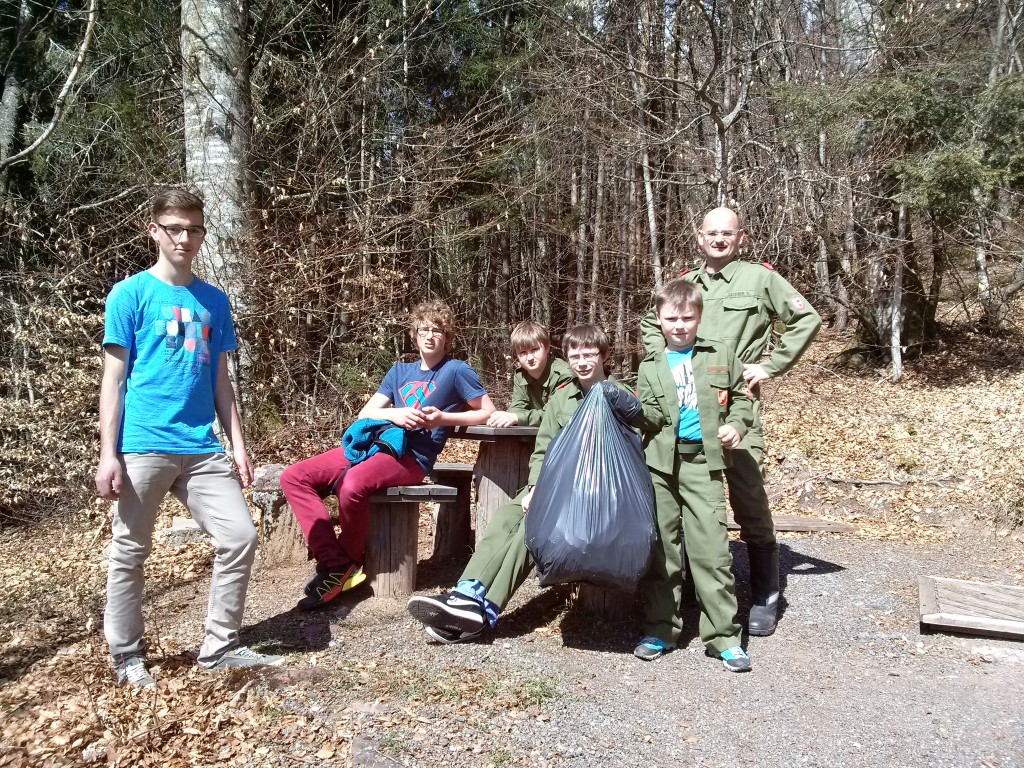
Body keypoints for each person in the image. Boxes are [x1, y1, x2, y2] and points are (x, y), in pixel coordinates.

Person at [95, 188, 281, 688]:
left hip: (202, 446)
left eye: (193, 229)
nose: (184, 237)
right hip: (144, 443)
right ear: (153, 230)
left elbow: (221, 380)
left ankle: (220, 648)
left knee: (240, 536)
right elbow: (113, 380)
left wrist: (238, 444)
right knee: (130, 549)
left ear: (202, 233)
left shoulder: (214, 301)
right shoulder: (129, 294)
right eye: (174, 227)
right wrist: (107, 454)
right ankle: (126, 655)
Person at [641, 207, 821, 635]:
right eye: (711, 233)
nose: (718, 240)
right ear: (699, 237)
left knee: (748, 497)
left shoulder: (760, 279)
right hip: (686, 411)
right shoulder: (688, 284)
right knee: (682, 499)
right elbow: (653, 322)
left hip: (735, 410)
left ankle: (765, 595)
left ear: (741, 238)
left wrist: (771, 365)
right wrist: (661, 363)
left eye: (727, 233)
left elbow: (806, 318)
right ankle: (686, 594)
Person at [406, 324, 641, 643]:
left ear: (604, 356)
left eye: (590, 355)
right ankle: (467, 593)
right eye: (576, 355)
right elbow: (543, 449)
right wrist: (533, 488)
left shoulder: (619, 395)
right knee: (508, 516)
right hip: (558, 484)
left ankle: (482, 610)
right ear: (568, 358)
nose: (583, 362)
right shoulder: (562, 400)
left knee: (531, 528)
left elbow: (635, 438)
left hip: (601, 493)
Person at [280, 300, 494, 610]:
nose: (430, 335)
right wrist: (397, 413)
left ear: (447, 337)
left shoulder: (457, 371)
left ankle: (345, 562)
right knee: (294, 476)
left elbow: (487, 411)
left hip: (411, 458)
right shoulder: (399, 371)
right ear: (414, 334)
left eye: (437, 330)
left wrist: (443, 420)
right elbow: (367, 411)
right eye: (424, 329)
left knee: (352, 485)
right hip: (371, 446)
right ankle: (336, 562)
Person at [633, 279, 754, 672]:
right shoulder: (649, 365)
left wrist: (737, 425)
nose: (680, 325)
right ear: (659, 319)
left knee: (712, 551)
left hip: (703, 465)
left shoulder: (720, 355)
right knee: (662, 550)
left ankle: (723, 637)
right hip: (660, 467)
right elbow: (649, 415)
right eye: (672, 318)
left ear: (699, 317)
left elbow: (741, 401)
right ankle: (660, 629)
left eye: (687, 317)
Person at [486, 320, 573, 428]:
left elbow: (555, 415)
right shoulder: (521, 375)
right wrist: (504, 417)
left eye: (534, 350)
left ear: (547, 347)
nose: (530, 358)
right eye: (523, 352)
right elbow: (518, 406)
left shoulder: (563, 375)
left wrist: (517, 417)